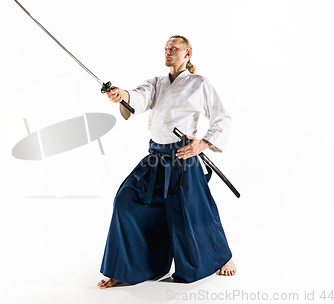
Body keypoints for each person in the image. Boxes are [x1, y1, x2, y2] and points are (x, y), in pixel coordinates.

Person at [97, 35, 236, 289]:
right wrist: (121, 94)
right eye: (165, 48)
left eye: (174, 48)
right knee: (125, 201)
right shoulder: (158, 83)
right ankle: (125, 269)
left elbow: (222, 118)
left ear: (188, 53)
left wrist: (202, 144)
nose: (168, 52)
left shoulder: (199, 83)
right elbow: (136, 98)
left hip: (183, 158)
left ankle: (221, 258)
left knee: (193, 213)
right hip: (155, 157)